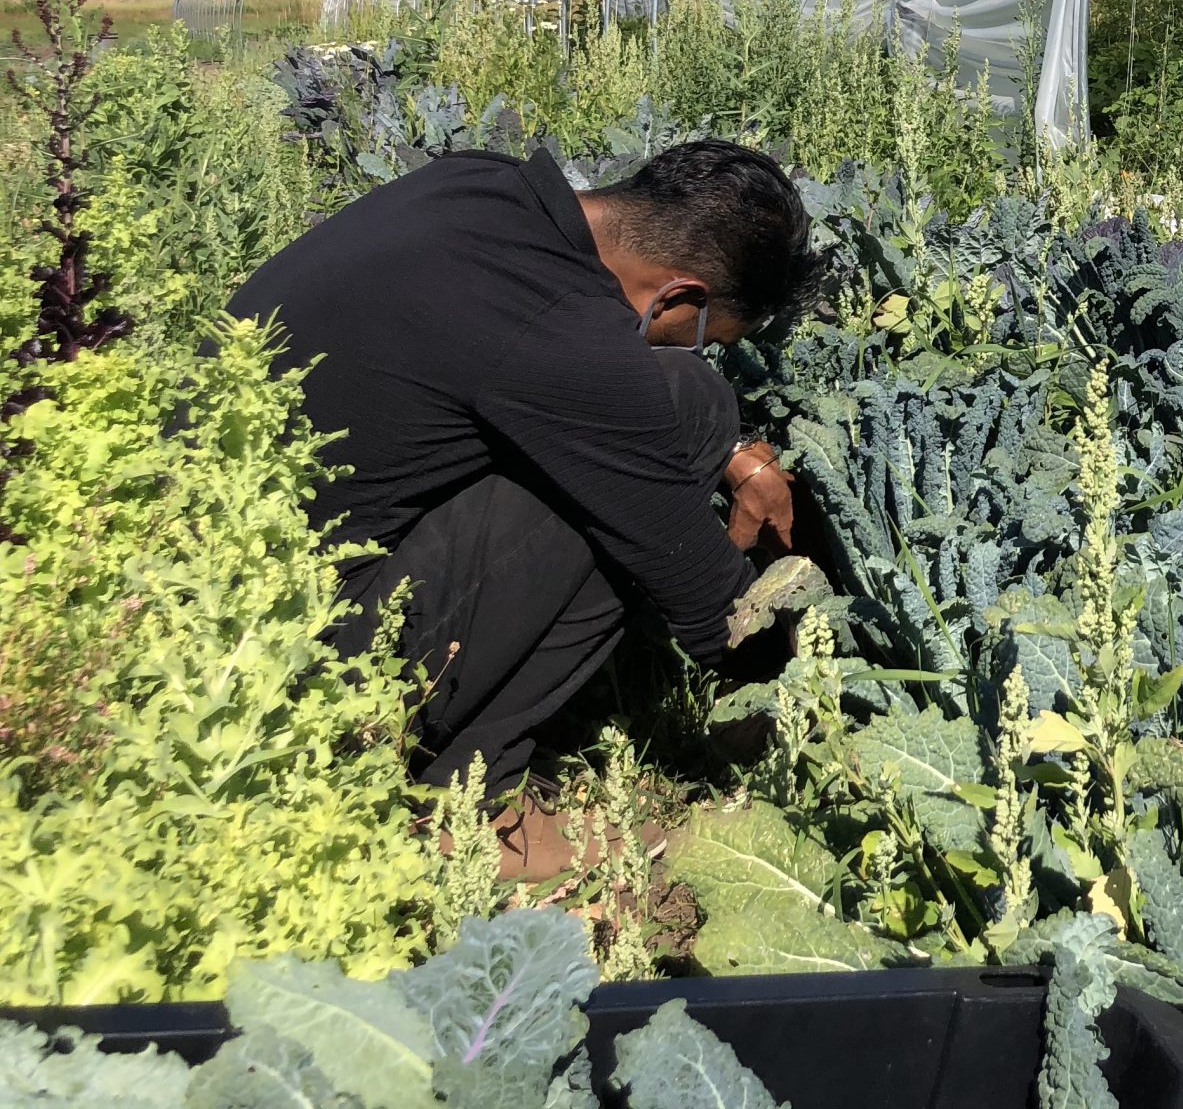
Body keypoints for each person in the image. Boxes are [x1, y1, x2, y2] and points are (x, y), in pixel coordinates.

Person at [229, 137, 814, 815]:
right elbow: (705, 600)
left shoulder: (481, 186)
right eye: (705, 338)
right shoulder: (558, 325)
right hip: (294, 672)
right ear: (678, 296)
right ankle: (464, 796)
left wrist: (735, 446)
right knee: (654, 449)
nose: (697, 350)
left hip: (216, 586)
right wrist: (812, 687)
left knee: (690, 402)